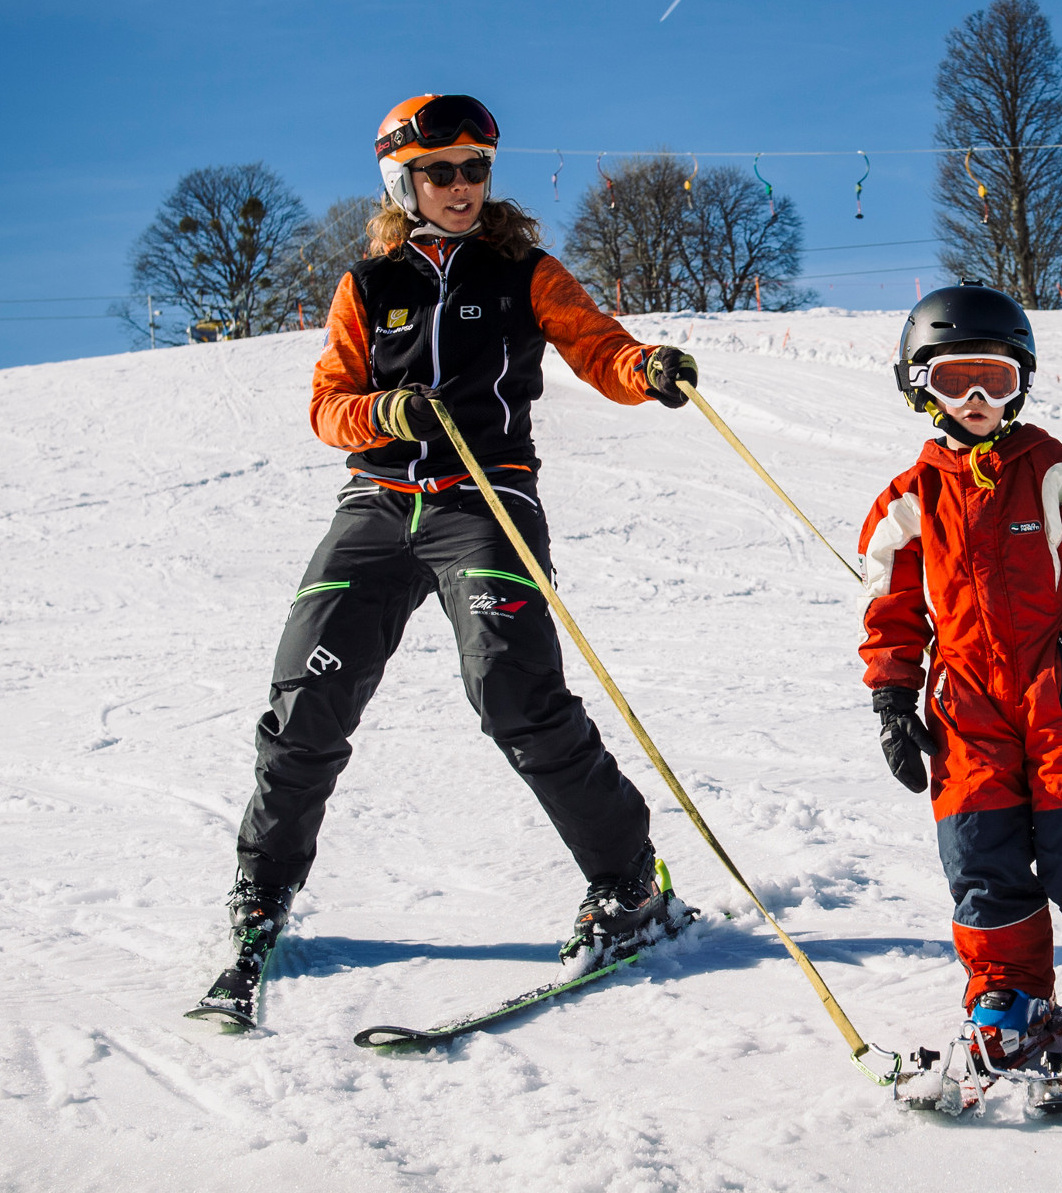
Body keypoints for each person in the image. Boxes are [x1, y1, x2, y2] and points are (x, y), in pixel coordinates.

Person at [206, 94, 699, 1012]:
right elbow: (326, 404)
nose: (463, 186)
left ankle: (632, 885)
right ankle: (263, 889)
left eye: (475, 167)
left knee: (516, 694)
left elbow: (599, 348)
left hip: (484, 500)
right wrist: (382, 413)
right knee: (305, 702)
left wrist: (647, 369)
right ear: (405, 180)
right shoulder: (367, 285)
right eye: (442, 171)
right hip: (379, 503)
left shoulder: (524, 271)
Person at [856, 283, 1062, 1070]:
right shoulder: (908, 499)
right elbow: (893, 609)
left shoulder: (1060, 472)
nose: (974, 399)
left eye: (994, 381)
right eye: (954, 380)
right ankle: (1011, 988)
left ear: (1020, 384)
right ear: (917, 387)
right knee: (979, 852)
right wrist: (894, 699)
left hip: (1059, 692)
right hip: (963, 704)